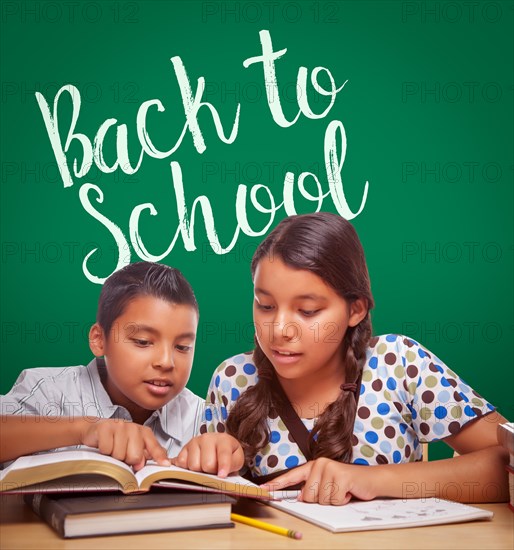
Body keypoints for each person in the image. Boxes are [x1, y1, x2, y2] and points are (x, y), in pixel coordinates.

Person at [174, 212, 509, 505]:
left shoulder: (399, 363)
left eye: (307, 311)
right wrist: (207, 459)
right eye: (265, 305)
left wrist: (367, 480)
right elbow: (209, 501)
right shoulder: (232, 380)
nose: (279, 330)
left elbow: (508, 463)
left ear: (355, 309)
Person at [0, 262, 242, 476]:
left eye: (182, 346)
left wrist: (225, 455)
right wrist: (84, 429)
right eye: (143, 342)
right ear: (99, 339)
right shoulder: (48, 390)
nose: (166, 362)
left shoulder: (203, 417)